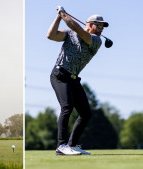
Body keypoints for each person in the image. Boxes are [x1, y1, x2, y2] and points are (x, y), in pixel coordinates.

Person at [47, 6, 109, 155]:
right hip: (60, 74)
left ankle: (72, 145)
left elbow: (77, 29)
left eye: (103, 26)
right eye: (98, 25)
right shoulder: (69, 34)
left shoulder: (96, 41)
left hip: (73, 78)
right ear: (89, 24)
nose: (101, 29)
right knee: (67, 107)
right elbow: (50, 35)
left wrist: (63, 14)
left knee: (86, 113)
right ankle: (61, 146)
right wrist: (58, 17)